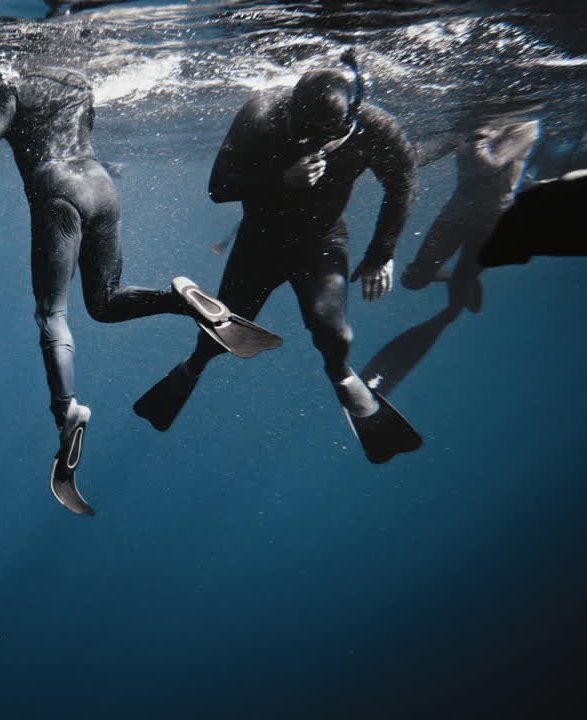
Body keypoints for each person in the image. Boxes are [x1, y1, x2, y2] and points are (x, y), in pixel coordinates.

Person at [0, 64, 281, 514]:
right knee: (103, 302)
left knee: (51, 313)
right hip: (101, 187)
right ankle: (180, 300)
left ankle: (66, 413)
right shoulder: (79, 79)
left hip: (57, 192)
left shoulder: (12, 76)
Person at [133, 49, 421, 464]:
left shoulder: (375, 128)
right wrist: (280, 179)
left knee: (333, 332)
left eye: (323, 139)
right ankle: (192, 368)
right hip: (260, 242)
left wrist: (382, 252)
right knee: (219, 337)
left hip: (322, 241)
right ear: (291, 109)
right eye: (301, 130)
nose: (310, 144)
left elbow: (403, 183)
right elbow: (219, 187)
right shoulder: (263, 113)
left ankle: (341, 376)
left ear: (350, 122)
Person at [361, 113, 540, 397]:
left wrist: (479, 132)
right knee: (413, 279)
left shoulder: (525, 125)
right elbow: (420, 156)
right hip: (453, 216)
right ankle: (457, 277)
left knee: (455, 305)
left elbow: (489, 165)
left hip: (491, 223)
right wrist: (387, 150)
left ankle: (405, 358)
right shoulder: (470, 122)